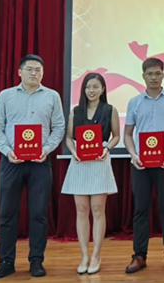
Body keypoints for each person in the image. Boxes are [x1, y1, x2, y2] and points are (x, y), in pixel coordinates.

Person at [0, 54, 65, 280]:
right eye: (30, 69)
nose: (34, 73)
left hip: (40, 162)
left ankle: (36, 260)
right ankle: (6, 262)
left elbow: (59, 127)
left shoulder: (52, 96)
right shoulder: (6, 96)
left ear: (43, 73)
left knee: (39, 214)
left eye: (38, 70)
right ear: (20, 72)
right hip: (11, 162)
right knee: (7, 214)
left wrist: (47, 149)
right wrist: (7, 151)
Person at [123, 58, 164, 273]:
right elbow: (127, 134)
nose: (154, 77)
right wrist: (134, 154)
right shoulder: (134, 102)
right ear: (143, 76)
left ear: (163, 75)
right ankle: (139, 256)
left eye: (157, 73)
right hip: (141, 164)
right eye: (149, 74)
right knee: (140, 210)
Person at [61, 72, 120, 274]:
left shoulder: (110, 110)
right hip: (80, 162)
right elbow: (69, 138)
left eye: (95, 87)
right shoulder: (75, 111)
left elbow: (116, 136)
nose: (91, 90)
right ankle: (84, 255)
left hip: (99, 161)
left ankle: (96, 255)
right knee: (81, 209)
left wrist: (107, 149)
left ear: (103, 89)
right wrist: (73, 151)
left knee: (97, 209)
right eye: (88, 87)